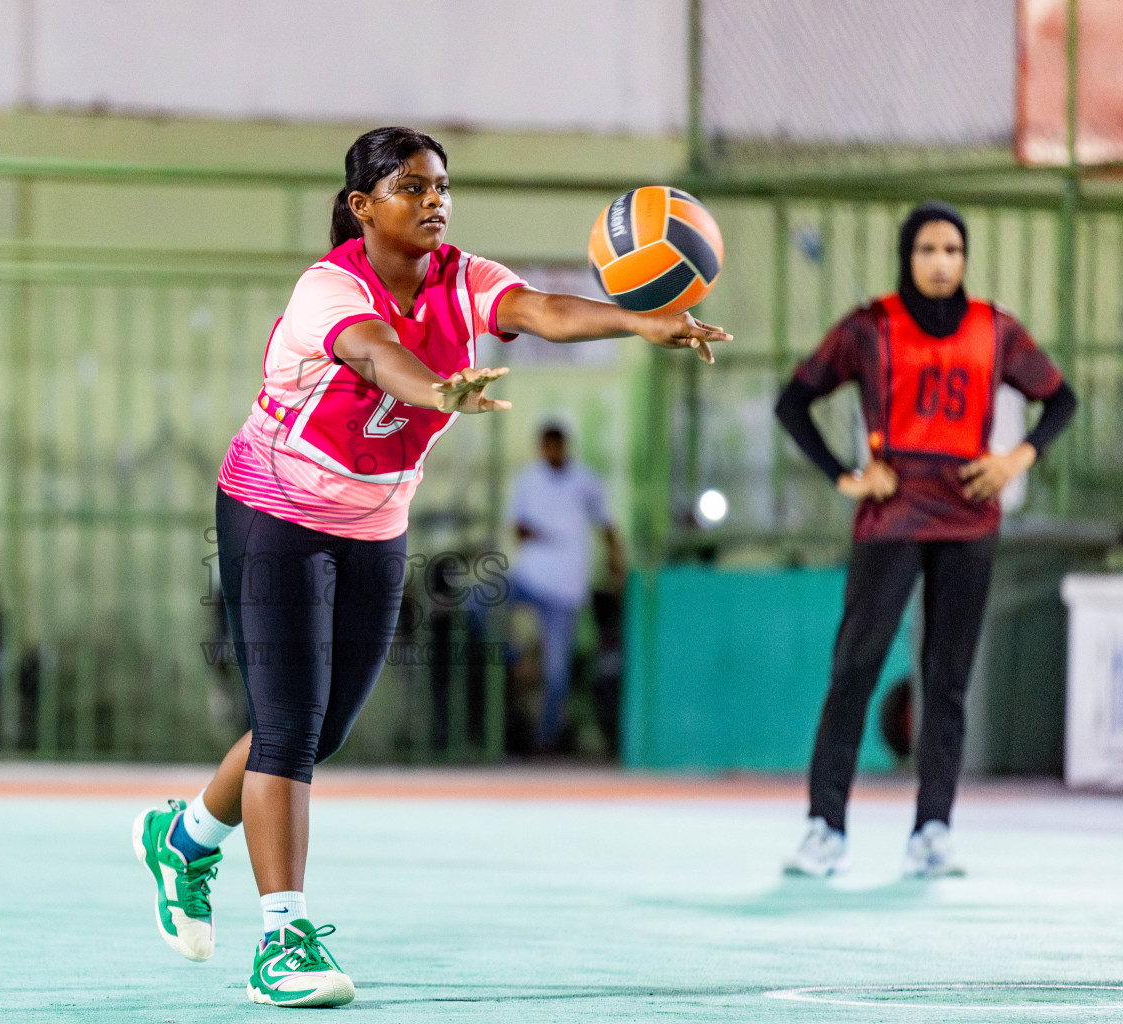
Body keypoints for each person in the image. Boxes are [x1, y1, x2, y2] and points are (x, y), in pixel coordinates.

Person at [131, 126, 730, 1009]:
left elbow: (542, 312)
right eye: (412, 188)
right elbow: (377, 353)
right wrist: (434, 388)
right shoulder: (328, 287)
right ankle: (282, 941)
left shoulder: (465, 277)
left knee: (321, 733)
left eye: (442, 186)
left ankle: (183, 838)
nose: (434, 201)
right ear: (363, 206)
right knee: (290, 724)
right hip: (273, 511)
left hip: (376, 523)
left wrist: (641, 322)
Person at [774, 201, 1076, 879]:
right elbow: (792, 401)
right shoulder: (870, 327)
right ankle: (825, 828)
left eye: (953, 250)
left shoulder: (995, 329)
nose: (942, 262)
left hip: (970, 519)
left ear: (965, 259)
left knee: (948, 680)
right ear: (907, 257)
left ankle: (933, 829)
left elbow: (1061, 399)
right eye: (928, 250)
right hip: (892, 517)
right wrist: (845, 476)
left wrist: (1014, 458)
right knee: (855, 668)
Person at [507, 423, 627, 752]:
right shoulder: (527, 480)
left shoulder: (585, 481)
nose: (552, 453)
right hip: (529, 578)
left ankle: (544, 743)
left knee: (557, 676)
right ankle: (518, 659)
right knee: (476, 602)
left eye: (557, 446)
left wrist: (617, 561)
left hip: (565, 591)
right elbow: (518, 528)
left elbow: (607, 524)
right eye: (546, 447)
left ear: (565, 446)